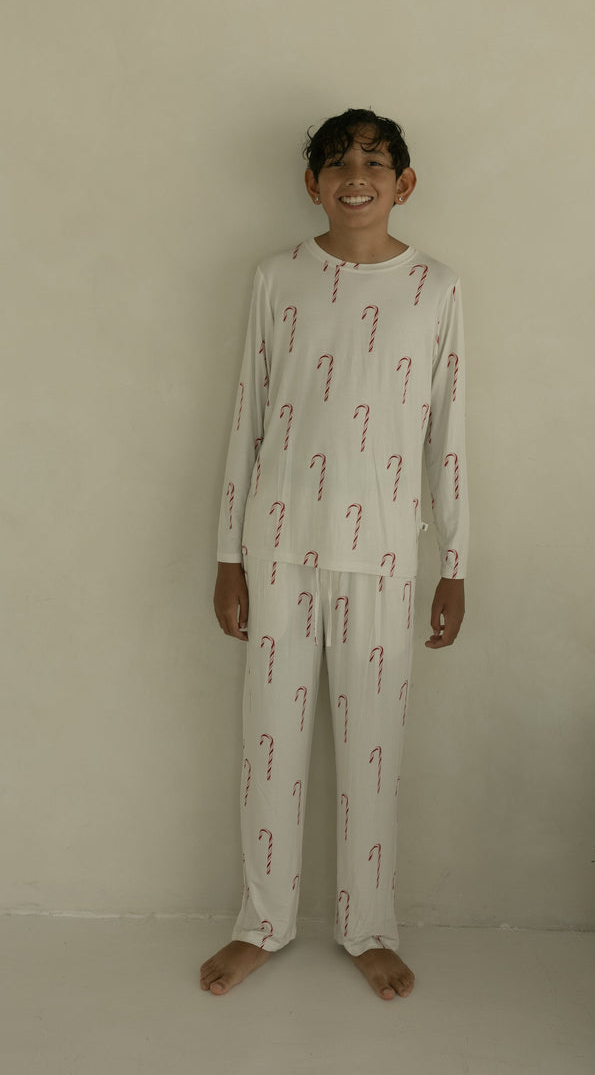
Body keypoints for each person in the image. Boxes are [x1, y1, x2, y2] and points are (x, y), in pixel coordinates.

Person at [200, 109, 468, 1002]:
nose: (357, 174)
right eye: (339, 161)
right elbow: (248, 410)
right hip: (277, 544)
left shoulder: (435, 289)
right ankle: (262, 922)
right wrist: (229, 553)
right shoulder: (278, 278)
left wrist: (456, 560)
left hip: (385, 551)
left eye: (376, 161)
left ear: (404, 183)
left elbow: (449, 431)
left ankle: (368, 927)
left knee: (373, 748)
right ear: (312, 183)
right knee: (269, 742)